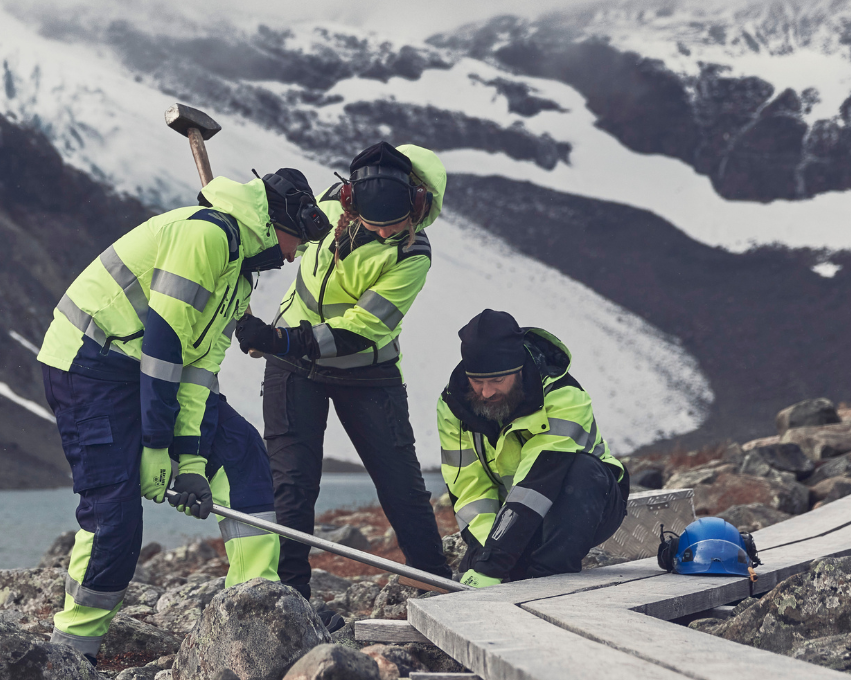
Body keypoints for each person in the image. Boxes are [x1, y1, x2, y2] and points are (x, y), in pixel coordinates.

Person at [35, 168, 330, 663]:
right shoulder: (205, 236)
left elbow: (198, 373)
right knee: (116, 514)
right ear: (277, 221)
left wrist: (190, 460)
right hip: (89, 365)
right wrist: (155, 446)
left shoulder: (240, 275)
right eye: (295, 240)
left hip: (149, 373)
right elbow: (164, 344)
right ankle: (71, 652)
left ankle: (253, 614)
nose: (294, 253)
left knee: (242, 458)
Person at [234, 141, 452, 602]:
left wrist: (278, 340)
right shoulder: (330, 204)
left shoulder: (413, 255)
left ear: (417, 206)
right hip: (292, 364)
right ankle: (291, 602)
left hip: (365, 372)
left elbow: (364, 328)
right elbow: (278, 230)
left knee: (402, 484)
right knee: (292, 486)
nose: (381, 230)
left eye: (393, 224)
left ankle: (437, 584)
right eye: (372, 220)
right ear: (350, 199)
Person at [437, 309, 629, 587]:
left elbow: (537, 483)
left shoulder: (565, 396)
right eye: (477, 381)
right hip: (513, 515)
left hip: (587, 505)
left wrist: (494, 565)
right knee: (484, 569)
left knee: (582, 470)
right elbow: (468, 488)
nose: (486, 392)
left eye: (497, 381)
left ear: (519, 370)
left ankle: (549, 578)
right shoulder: (452, 405)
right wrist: (486, 552)